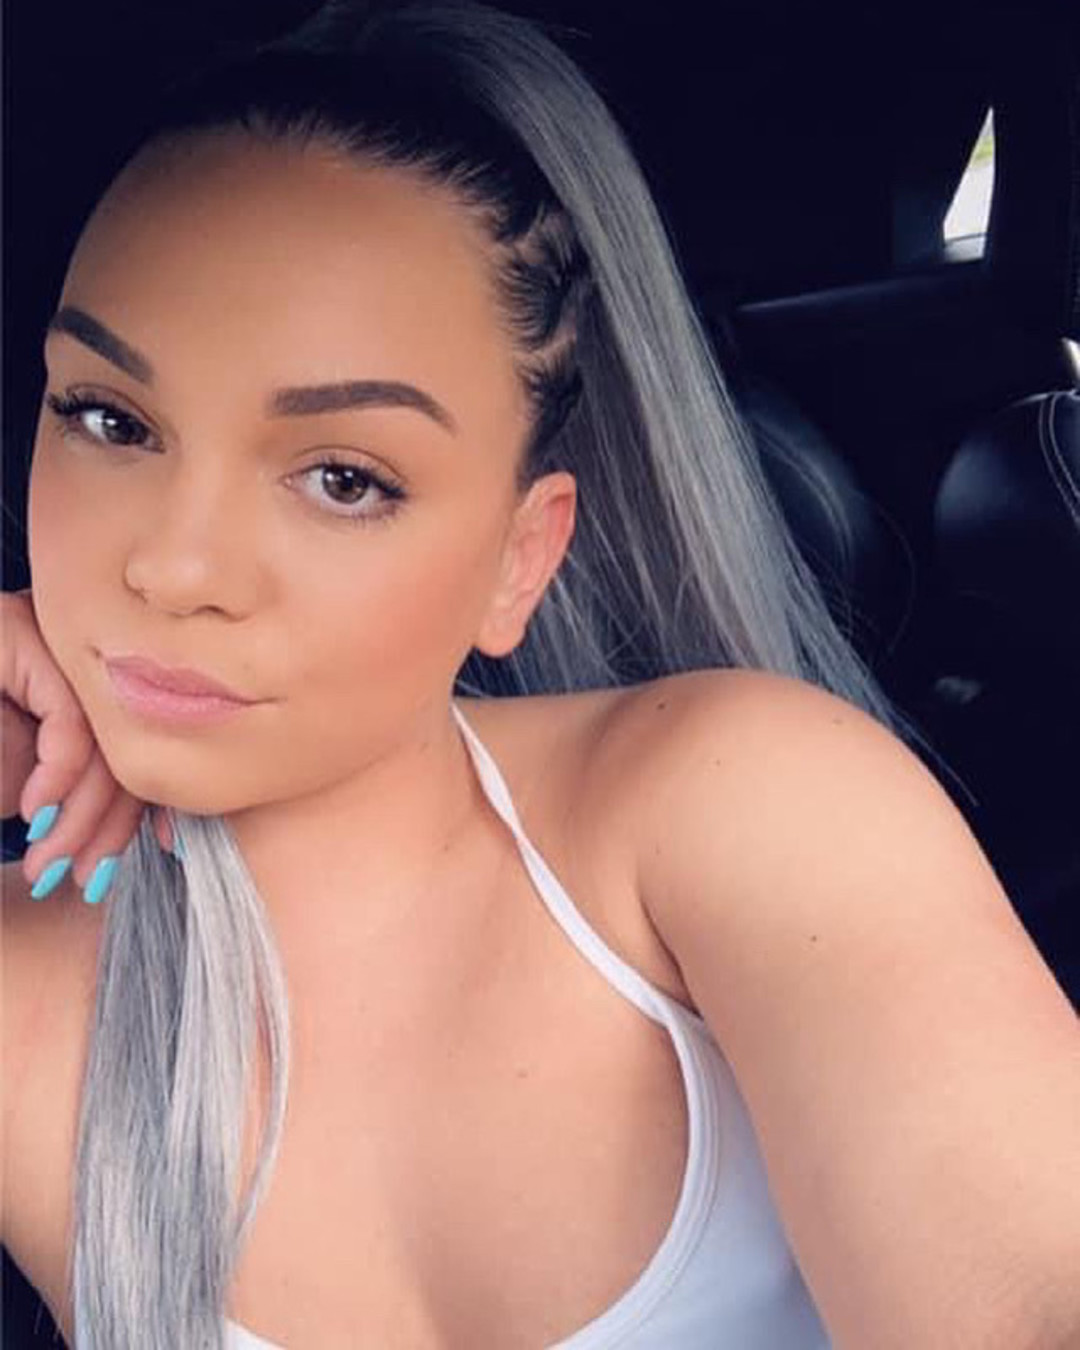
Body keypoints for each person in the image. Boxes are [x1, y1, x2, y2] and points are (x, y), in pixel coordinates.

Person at [3, 2, 1079, 1347]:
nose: (174, 567)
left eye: (345, 478)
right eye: (110, 418)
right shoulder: (28, 982)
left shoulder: (732, 801)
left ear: (521, 558)